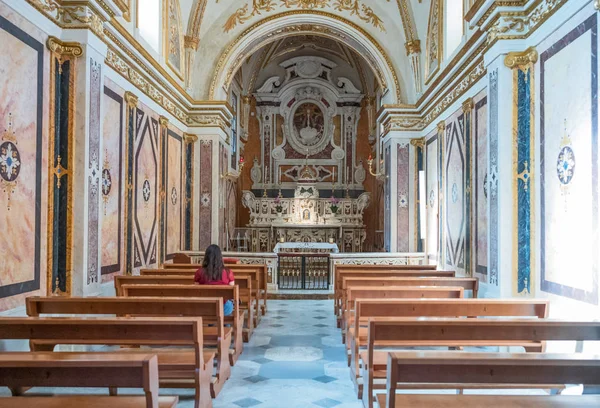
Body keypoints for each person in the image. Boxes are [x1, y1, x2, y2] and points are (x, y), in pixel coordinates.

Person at [194, 244, 235, 316]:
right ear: (220, 257)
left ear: (206, 257)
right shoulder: (228, 272)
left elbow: (196, 290)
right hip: (224, 306)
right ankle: (226, 325)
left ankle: (212, 324)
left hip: (206, 306)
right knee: (229, 304)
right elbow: (232, 291)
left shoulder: (199, 272)